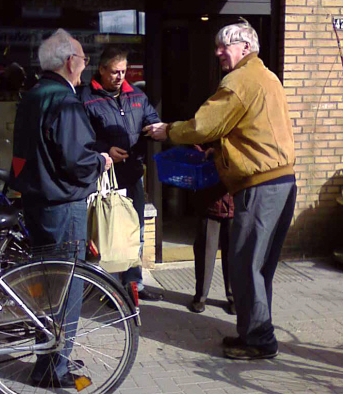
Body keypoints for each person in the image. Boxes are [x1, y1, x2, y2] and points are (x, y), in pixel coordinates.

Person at [144, 20, 296, 360]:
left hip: (260, 187)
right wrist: (223, 152)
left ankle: (259, 341)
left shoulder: (240, 79)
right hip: (282, 182)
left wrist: (168, 130)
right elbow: (255, 131)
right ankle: (255, 331)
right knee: (260, 267)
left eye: (223, 46)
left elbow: (204, 125)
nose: (217, 52)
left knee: (245, 265)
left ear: (245, 48)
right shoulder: (267, 77)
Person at [9, 28, 112, 388]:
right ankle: (54, 368)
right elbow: (76, 160)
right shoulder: (64, 102)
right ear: (70, 62)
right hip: (63, 205)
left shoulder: (33, 95)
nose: (85, 68)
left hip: (36, 203)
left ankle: (49, 356)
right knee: (66, 290)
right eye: (84, 61)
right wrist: (100, 161)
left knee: (47, 288)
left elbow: (21, 157)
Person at [80, 45, 164, 301]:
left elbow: (151, 119)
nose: (120, 77)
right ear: (102, 70)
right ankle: (106, 285)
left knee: (133, 230)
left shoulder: (137, 95)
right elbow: (81, 137)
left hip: (131, 174)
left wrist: (157, 127)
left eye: (124, 72)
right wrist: (105, 150)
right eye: (115, 72)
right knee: (103, 231)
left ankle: (133, 284)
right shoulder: (86, 98)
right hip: (102, 176)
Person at [191, 171, 235, 315]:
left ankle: (234, 298)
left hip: (235, 204)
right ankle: (201, 296)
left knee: (233, 255)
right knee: (205, 253)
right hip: (209, 202)